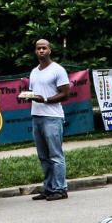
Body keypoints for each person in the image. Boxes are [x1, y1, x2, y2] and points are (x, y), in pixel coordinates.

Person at [27, 39, 70, 201]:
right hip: (36, 116)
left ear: (50, 50)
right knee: (43, 155)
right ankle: (49, 187)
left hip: (52, 116)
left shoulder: (57, 70)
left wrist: (44, 99)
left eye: (44, 48)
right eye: (38, 48)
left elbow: (65, 94)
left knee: (55, 154)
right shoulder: (34, 72)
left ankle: (60, 188)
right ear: (35, 51)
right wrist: (29, 97)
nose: (41, 51)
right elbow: (34, 93)